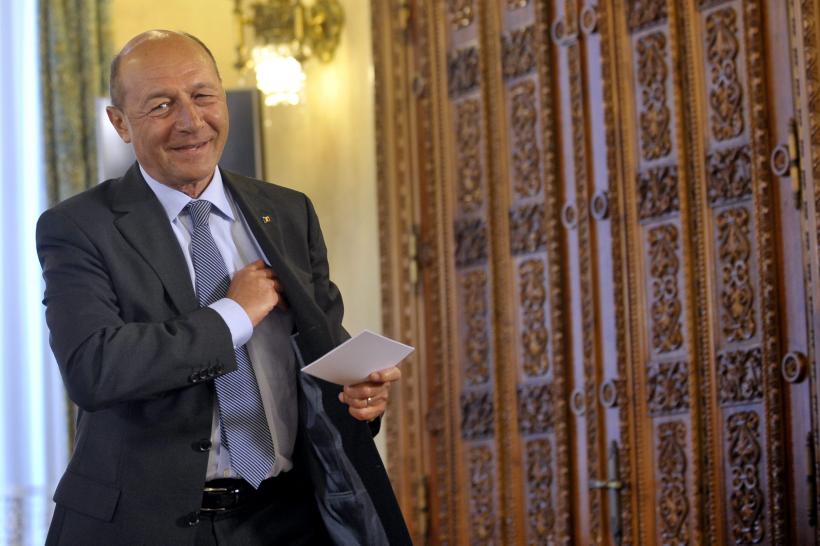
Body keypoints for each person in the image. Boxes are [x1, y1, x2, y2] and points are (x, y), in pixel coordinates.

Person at [37, 29, 411, 545]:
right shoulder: (79, 227)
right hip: (145, 527)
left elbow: (322, 352)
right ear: (120, 123)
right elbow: (94, 369)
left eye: (203, 95)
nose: (191, 121)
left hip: (287, 520)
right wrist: (233, 314)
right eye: (161, 105)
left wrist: (360, 395)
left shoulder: (288, 211)